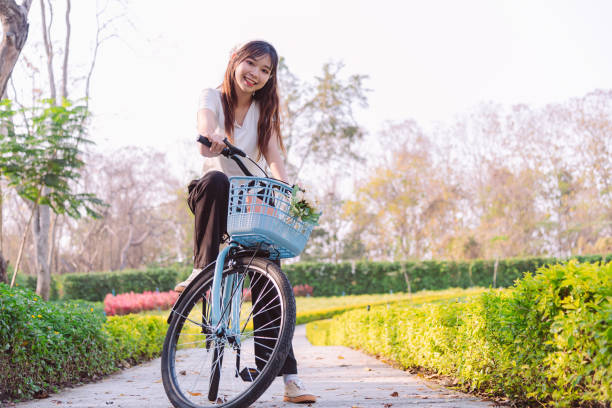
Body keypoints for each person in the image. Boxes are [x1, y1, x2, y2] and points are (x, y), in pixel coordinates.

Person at [174, 40, 317, 404]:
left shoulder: (263, 111)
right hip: (215, 197)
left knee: (270, 284)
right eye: (251, 64)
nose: (256, 74)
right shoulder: (213, 97)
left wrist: (289, 189)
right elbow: (205, 129)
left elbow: (275, 159)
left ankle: (288, 379)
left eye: (266, 70)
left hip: (247, 204)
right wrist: (214, 138)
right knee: (216, 180)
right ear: (236, 61)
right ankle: (201, 269)